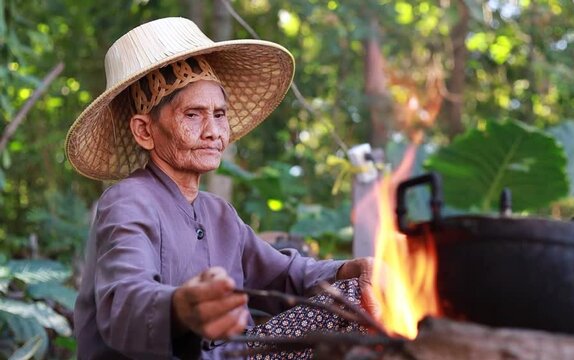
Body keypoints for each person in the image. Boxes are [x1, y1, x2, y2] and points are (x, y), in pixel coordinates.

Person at [67, 17, 376, 360]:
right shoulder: (128, 201)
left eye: (219, 114)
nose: (214, 131)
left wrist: (349, 268)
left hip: (235, 354)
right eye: (193, 115)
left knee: (357, 295)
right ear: (144, 131)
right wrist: (180, 307)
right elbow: (125, 303)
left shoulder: (219, 214)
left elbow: (287, 274)